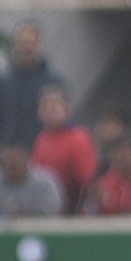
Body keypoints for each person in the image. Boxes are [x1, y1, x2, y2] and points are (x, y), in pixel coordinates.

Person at [0, 22, 59, 166]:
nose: (27, 48)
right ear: (15, 45)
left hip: (43, 160)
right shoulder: (1, 84)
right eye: (23, 43)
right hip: (8, 160)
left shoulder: (53, 83)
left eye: (31, 43)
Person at [30, 84, 97, 213]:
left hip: (71, 211)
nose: (51, 108)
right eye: (46, 104)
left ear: (66, 109)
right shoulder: (41, 139)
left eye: (56, 104)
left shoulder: (78, 138)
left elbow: (88, 182)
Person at [0, 139, 63, 217]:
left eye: (15, 164)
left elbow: (53, 212)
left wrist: (25, 215)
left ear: (27, 160)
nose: (11, 168)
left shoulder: (45, 183)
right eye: (6, 164)